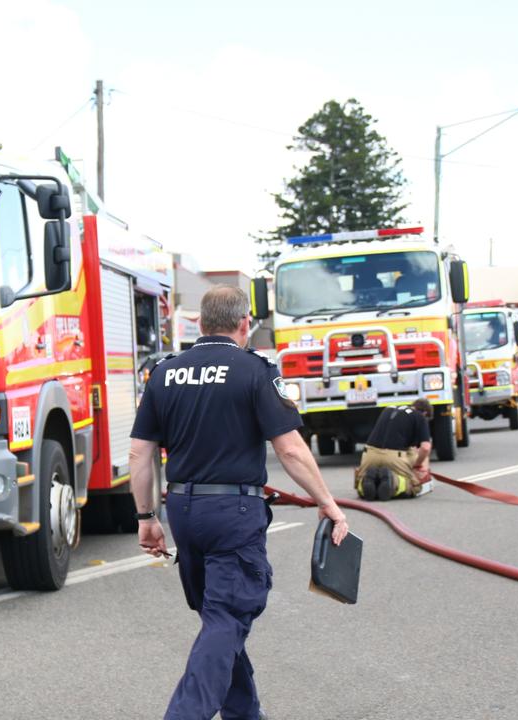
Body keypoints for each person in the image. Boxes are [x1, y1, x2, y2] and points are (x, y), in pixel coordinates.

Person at [129, 285, 350, 720]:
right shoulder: (255, 371)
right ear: (244, 323)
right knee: (227, 618)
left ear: (199, 323)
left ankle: (245, 714)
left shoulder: (165, 373)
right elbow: (290, 449)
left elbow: (140, 454)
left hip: (184, 513)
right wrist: (328, 503)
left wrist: (146, 517)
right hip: (233, 513)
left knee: (219, 620)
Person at [355, 399, 434, 501]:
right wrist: (417, 464)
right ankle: (393, 482)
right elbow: (425, 448)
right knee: (415, 486)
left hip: (369, 454)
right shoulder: (420, 417)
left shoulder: (387, 409)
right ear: (425, 413)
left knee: (363, 479)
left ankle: (365, 483)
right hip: (394, 457)